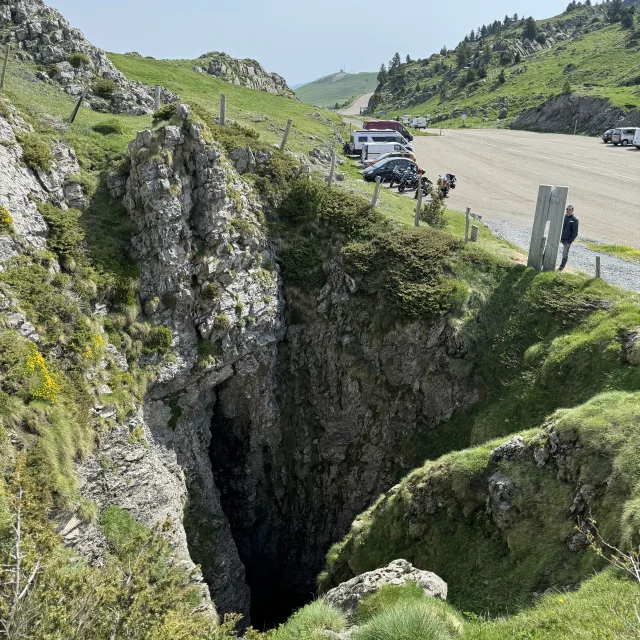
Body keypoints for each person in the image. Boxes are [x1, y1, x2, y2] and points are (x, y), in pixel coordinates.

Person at [559, 205, 579, 271]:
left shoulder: (574, 220)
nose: (567, 210)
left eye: (569, 209)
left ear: (572, 211)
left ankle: (561, 267)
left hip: (567, 240)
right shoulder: (563, 218)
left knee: (565, 254)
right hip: (560, 238)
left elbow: (575, 233)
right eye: (567, 209)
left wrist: (570, 242)